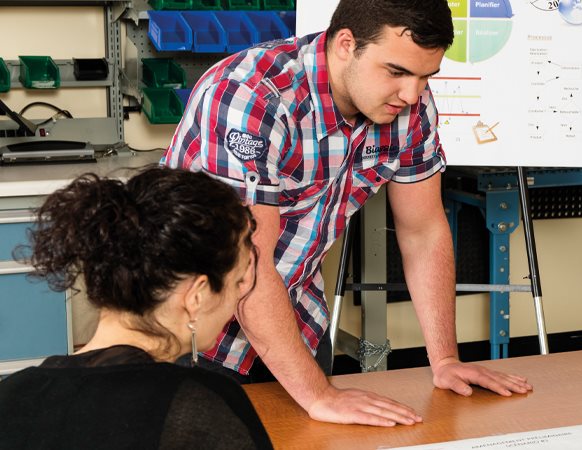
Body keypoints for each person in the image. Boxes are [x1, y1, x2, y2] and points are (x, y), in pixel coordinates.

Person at [162, 0, 530, 427]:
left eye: (425, 76)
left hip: (295, 324)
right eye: (396, 72)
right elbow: (247, 266)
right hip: (191, 336)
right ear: (345, 44)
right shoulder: (252, 98)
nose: (412, 94)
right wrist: (318, 395)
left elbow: (424, 232)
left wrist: (445, 359)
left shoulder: (409, 107)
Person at [0, 168, 270, 449]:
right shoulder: (204, 406)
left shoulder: (11, 395)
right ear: (196, 296)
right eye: (238, 282)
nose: (238, 297)